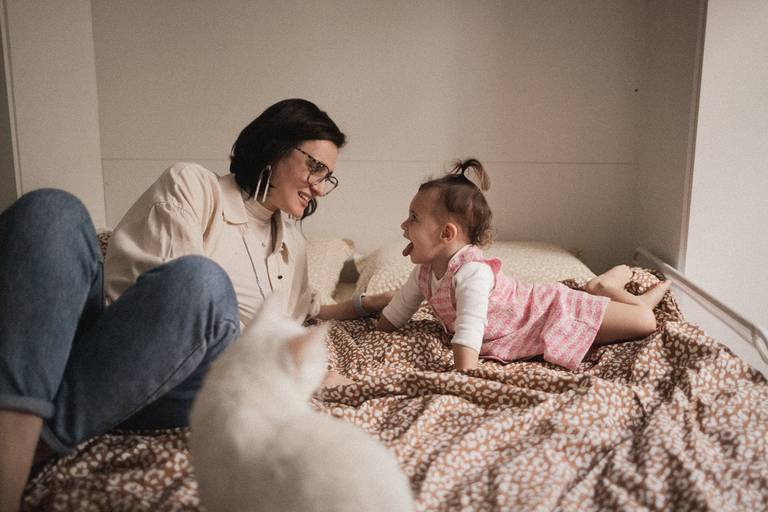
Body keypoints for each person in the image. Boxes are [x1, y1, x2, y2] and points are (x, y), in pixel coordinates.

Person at [0, 98, 389, 511]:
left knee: (203, 282)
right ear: (275, 147)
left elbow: (309, 309)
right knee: (52, 211)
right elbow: (171, 300)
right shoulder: (194, 185)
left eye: (328, 177)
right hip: (122, 342)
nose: (320, 188)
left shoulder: (293, 243)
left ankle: (22, 453)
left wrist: (366, 303)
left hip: (190, 382)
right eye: (315, 167)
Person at [376, 158, 671, 372]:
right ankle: (611, 294)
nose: (403, 225)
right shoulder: (424, 273)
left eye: (413, 218)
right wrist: (370, 324)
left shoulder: (472, 273)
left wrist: (464, 379)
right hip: (525, 327)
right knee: (632, 322)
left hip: (551, 311)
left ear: (447, 234)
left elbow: (469, 331)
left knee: (645, 322)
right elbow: (394, 316)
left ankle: (603, 286)